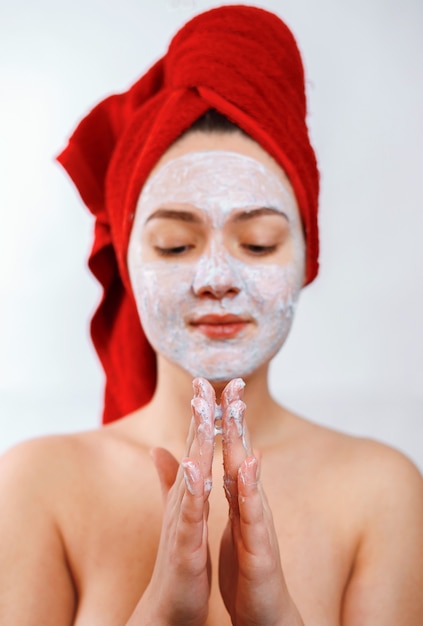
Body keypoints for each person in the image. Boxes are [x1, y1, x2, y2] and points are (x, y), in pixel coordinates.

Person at [0, 5, 422, 625]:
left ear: (307, 255)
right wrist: (159, 615)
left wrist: (274, 618)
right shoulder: (37, 484)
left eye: (258, 243)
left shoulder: (381, 491)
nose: (217, 278)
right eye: (175, 244)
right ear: (126, 263)